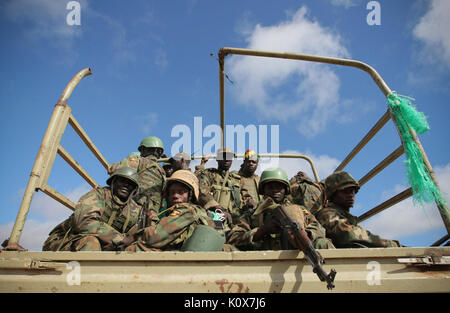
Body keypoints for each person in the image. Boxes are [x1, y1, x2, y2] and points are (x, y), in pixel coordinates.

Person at [227, 168, 334, 251]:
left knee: (323, 243)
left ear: (285, 190)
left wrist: (305, 234)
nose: (275, 190)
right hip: (262, 263)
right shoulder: (253, 214)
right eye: (270, 187)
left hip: (295, 259)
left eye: (279, 187)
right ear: (263, 190)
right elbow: (233, 237)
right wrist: (262, 230)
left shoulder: (299, 210)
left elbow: (319, 229)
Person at [42, 166, 145, 251]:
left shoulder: (134, 208)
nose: (126, 185)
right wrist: (120, 239)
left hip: (103, 244)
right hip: (65, 240)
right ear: (113, 181)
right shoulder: (99, 195)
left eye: (131, 184)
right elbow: (85, 222)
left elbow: (139, 235)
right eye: (123, 180)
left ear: (134, 190)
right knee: (91, 242)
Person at [123, 170, 228, 252]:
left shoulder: (187, 210)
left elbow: (155, 236)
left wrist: (132, 237)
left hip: (185, 264)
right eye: (172, 192)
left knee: (135, 248)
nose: (175, 196)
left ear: (190, 196)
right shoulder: (197, 212)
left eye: (181, 192)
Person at [316, 171, 402, 248]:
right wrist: (392, 245)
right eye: (345, 191)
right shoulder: (327, 214)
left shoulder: (344, 217)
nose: (351, 195)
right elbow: (350, 235)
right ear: (333, 194)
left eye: (352, 191)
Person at [110, 136, 166, 213]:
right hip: (152, 214)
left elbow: (113, 169)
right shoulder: (162, 172)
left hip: (134, 209)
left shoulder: (140, 161)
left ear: (145, 149)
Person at [196, 148, 244, 225]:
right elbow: (203, 192)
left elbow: (241, 200)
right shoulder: (209, 175)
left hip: (231, 220)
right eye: (223, 157)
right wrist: (218, 209)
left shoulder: (236, 180)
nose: (227, 159)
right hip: (211, 219)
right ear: (218, 159)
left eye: (229, 157)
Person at [236, 149, 261, 216]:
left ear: (257, 164)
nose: (251, 164)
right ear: (244, 162)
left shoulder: (260, 180)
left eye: (254, 162)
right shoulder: (236, 178)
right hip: (242, 214)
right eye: (249, 161)